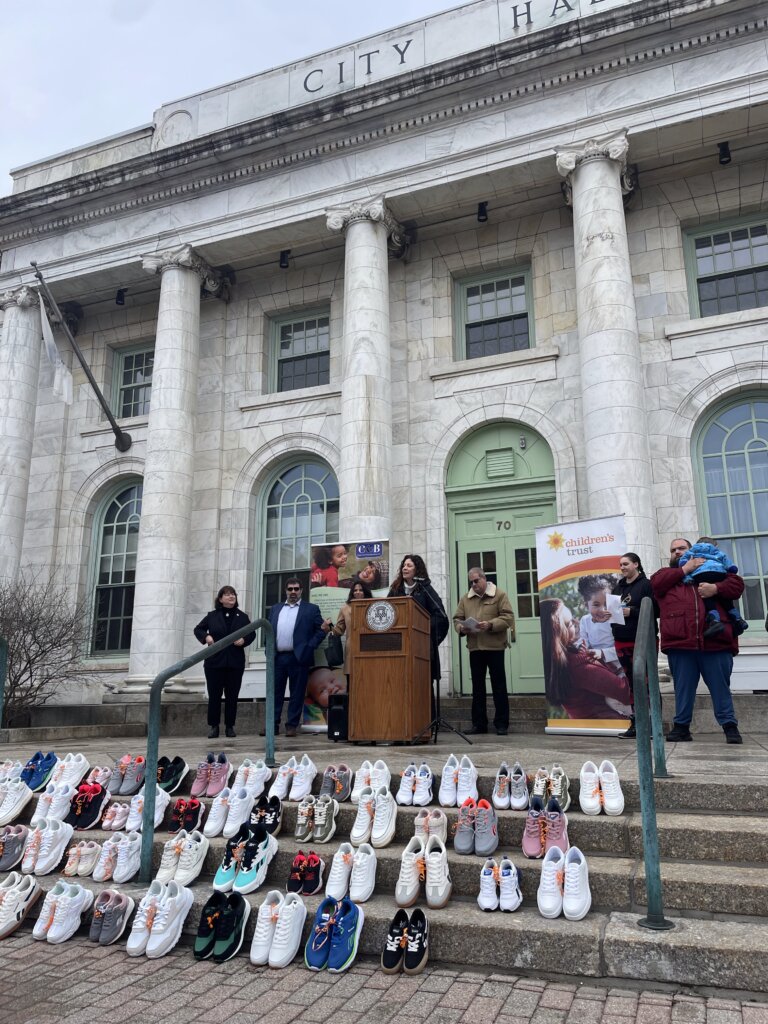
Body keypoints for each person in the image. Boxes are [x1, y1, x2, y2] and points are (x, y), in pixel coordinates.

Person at [651, 538, 744, 744]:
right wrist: (686, 568)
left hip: (716, 643)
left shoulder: (716, 570)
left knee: (720, 688)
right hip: (681, 644)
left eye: (681, 548)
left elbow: (737, 585)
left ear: (692, 550)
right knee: (683, 690)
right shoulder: (667, 575)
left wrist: (716, 589)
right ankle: (681, 727)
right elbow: (655, 584)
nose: (677, 551)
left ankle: (730, 727)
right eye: (673, 549)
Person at [540, 598, 633, 720]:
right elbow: (625, 692)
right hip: (611, 724)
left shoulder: (555, 663)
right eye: (570, 623)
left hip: (585, 724)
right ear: (559, 632)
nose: (577, 622)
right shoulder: (579, 666)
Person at [453, 567, 516, 736]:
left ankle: (501, 724)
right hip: (475, 649)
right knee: (477, 688)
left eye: (476, 581)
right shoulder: (465, 599)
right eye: (471, 582)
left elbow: (508, 617)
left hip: (495, 647)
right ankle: (479, 724)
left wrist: (491, 624)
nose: (473, 585)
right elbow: (456, 619)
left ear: (484, 579)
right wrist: (461, 628)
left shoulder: (499, 595)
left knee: (499, 686)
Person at [266, 578, 331, 737]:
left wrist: (310, 647)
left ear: (301, 590)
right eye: (290, 589)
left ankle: (291, 726)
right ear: (286, 591)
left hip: (299, 658)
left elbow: (321, 630)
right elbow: (267, 630)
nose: (293, 592)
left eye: (296, 589)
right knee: (275, 693)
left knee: (296, 693)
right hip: (278, 658)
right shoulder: (275, 609)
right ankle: (272, 725)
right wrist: (268, 651)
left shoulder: (311, 609)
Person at [194, 585, 256, 739]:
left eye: (233, 594)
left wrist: (244, 640)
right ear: (220, 599)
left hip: (235, 663)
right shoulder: (212, 616)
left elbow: (252, 633)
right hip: (214, 663)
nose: (231, 597)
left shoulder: (242, 617)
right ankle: (214, 727)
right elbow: (198, 629)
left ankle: (230, 727)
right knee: (214, 696)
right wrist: (206, 637)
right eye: (227, 594)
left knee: (232, 696)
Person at [611, 553, 656, 738]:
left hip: (642, 639)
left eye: (626, 564)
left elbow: (656, 609)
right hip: (621, 639)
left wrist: (633, 611)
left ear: (636, 564)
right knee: (630, 683)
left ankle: (653, 724)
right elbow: (614, 609)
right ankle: (636, 723)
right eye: (620, 564)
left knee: (646, 682)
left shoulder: (647, 585)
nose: (622, 567)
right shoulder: (618, 587)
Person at [388, 554, 450, 689]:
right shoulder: (395, 590)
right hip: (399, 646)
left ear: (417, 570)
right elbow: (388, 614)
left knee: (423, 687)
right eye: (403, 565)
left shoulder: (425, 589)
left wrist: (420, 627)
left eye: (409, 565)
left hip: (421, 647)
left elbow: (440, 616)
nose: (405, 568)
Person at [678, 537, 749, 637]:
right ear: (715, 545)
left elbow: (684, 562)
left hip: (702, 574)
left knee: (706, 595)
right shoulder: (715, 551)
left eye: (681, 548)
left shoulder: (693, 551)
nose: (677, 552)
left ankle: (715, 620)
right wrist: (731, 568)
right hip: (719, 573)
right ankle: (739, 619)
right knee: (726, 601)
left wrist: (686, 574)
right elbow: (725, 559)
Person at [577, 575, 622, 671]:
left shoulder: (616, 619)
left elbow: (623, 648)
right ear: (586, 605)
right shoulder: (585, 621)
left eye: (606, 604)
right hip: (596, 666)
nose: (602, 610)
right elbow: (583, 643)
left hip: (619, 668)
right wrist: (583, 649)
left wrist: (602, 653)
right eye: (596, 605)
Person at [332, 580, 374, 681]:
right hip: (352, 649)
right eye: (355, 590)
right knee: (352, 682)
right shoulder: (345, 608)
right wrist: (328, 625)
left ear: (365, 592)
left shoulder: (373, 605)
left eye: (361, 590)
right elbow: (339, 630)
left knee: (370, 679)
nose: (358, 592)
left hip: (370, 648)